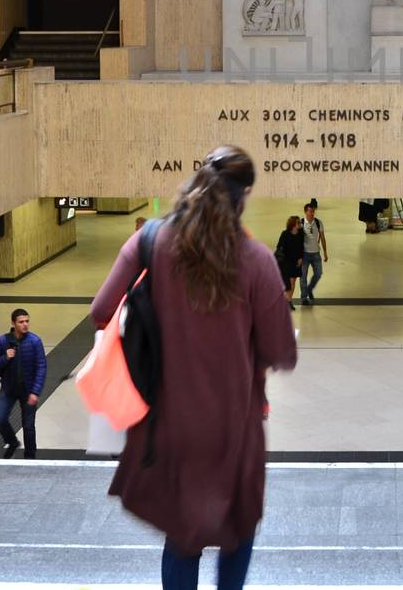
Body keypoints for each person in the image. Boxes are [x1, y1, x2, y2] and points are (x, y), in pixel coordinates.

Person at [91, 146, 298, 590]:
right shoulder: (257, 261)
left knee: (182, 538)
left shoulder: (150, 240)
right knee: (238, 530)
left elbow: (102, 309)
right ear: (242, 197)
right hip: (234, 428)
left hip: (168, 424)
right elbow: (282, 350)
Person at [0, 309, 46, 460]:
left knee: (28, 426)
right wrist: (5, 358)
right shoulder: (3, 341)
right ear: (13, 323)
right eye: (21, 322)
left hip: (28, 391)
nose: (25, 324)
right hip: (8, 388)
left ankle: (30, 457)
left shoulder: (35, 342)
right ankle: (12, 441)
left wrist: (36, 392)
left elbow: (41, 367)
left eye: (27, 321)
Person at [298, 200, 327, 305]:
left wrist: (325, 252)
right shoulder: (300, 223)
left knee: (318, 273)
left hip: (316, 253)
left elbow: (323, 238)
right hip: (304, 254)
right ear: (305, 212)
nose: (312, 213)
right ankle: (304, 297)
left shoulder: (319, 223)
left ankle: (309, 289)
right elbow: (296, 240)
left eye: (313, 211)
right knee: (303, 277)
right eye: (310, 211)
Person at [274, 215, 305, 310]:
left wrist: (301, 258)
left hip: (296, 261)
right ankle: (284, 301)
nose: (300, 224)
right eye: (298, 223)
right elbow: (279, 246)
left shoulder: (301, 234)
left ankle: (288, 301)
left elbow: (302, 247)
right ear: (293, 225)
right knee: (287, 283)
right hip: (286, 261)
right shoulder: (285, 234)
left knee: (293, 282)